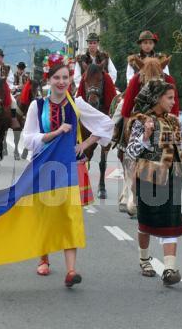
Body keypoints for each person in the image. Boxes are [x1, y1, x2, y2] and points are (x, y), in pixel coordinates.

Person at [23, 54, 114, 285]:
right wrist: (53, 134)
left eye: (65, 77)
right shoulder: (38, 105)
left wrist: (84, 144)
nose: (61, 82)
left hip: (71, 167)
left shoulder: (78, 104)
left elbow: (106, 123)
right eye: (57, 77)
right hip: (44, 165)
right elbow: (28, 139)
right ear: (49, 80)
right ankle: (43, 259)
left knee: (70, 216)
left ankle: (71, 270)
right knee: (45, 214)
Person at [125, 79, 182, 286]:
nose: (173, 102)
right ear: (157, 98)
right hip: (149, 177)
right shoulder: (141, 120)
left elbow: (180, 147)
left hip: (172, 176)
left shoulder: (174, 121)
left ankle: (170, 269)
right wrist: (145, 135)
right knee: (146, 223)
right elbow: (131, 151)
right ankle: (144, 260)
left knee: (171, 222)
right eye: (169, 98)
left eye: (174, 98)